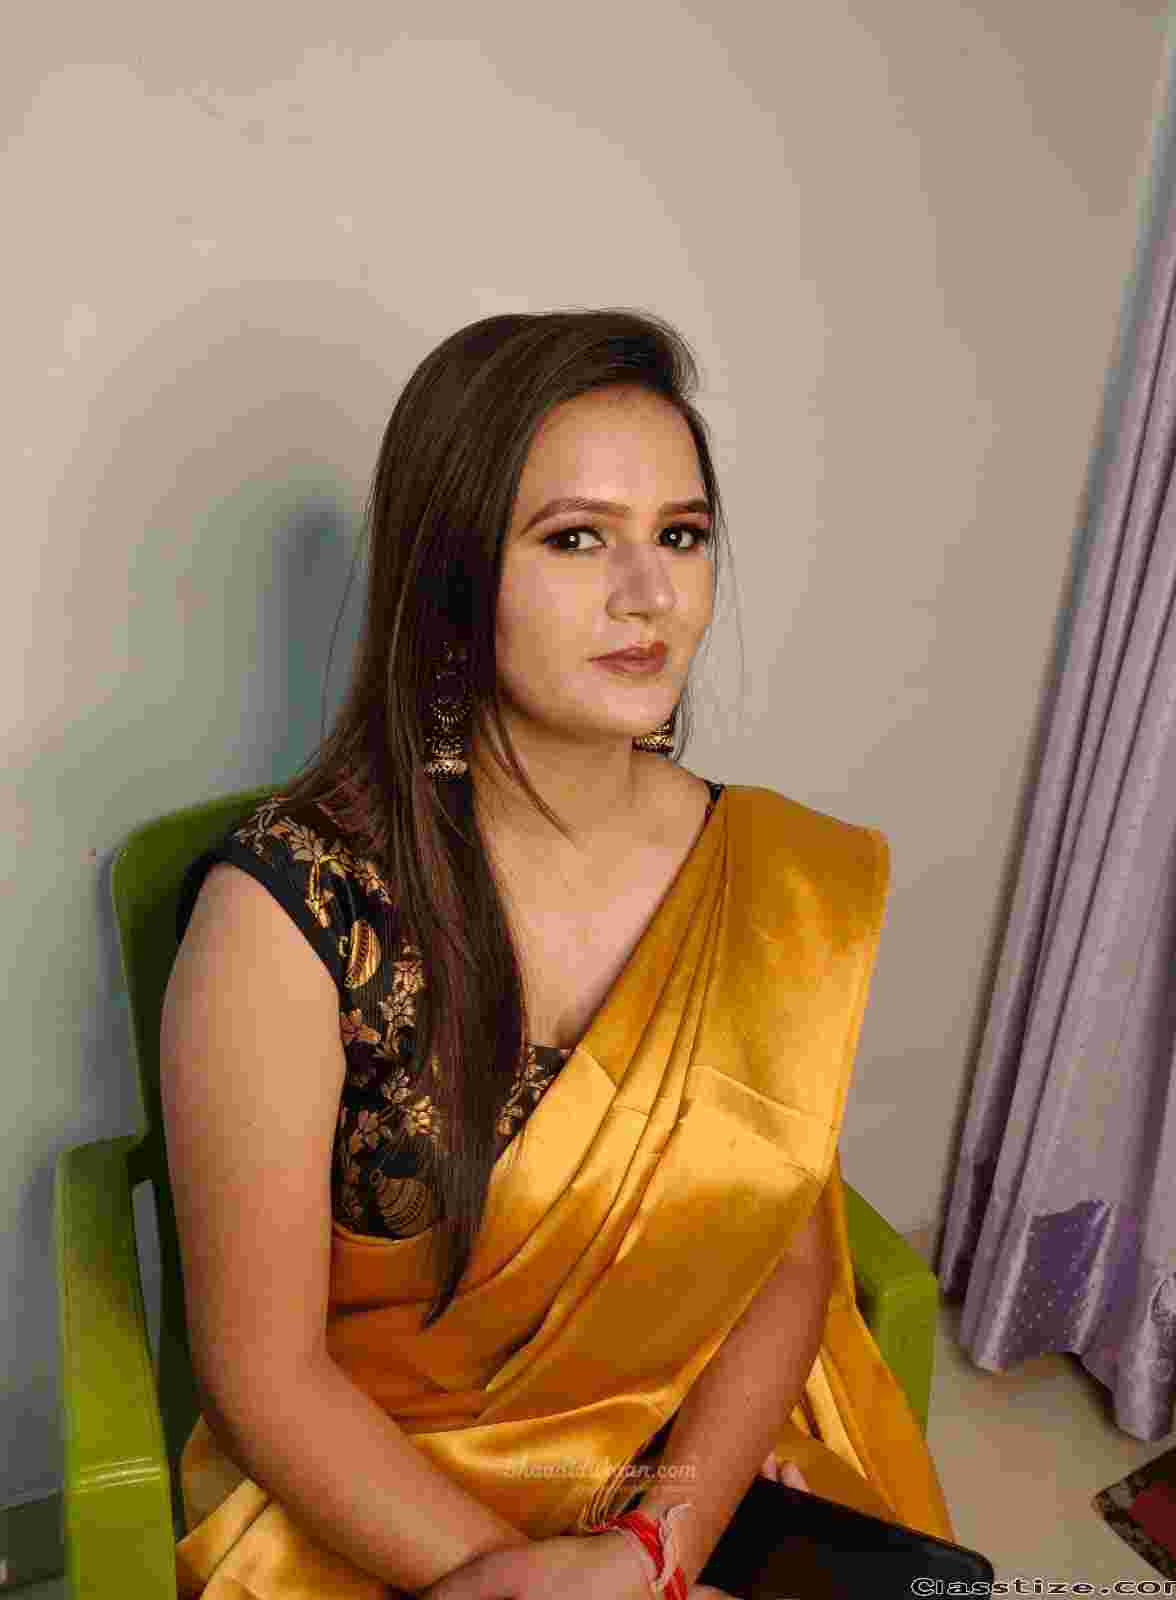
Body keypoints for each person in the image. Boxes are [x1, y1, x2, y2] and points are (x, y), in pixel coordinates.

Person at [162, 308, 954, 1600]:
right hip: (375, 1498)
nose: (650, 595)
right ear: (452, 573)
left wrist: (654, 1549)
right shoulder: (289, 918)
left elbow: (786, 1261)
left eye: (681, 535)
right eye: (577, 537)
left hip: (679, 1471)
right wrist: (530, 1579)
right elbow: (264, 1377)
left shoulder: (768, 885)